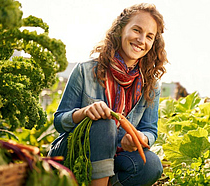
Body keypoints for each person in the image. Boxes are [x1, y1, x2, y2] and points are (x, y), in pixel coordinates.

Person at [48, 3, 168, 186]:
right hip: (74, 154)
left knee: (151, 165)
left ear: (153, 43)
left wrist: (140, 138)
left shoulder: (150, 85)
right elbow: (59, 121)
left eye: (149, 36)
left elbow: (150, 130)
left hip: (116, 156)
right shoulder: (85, 71)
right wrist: (84, 113)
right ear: (120, 30)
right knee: (104, 121)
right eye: (137, 30)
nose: (142, 40)